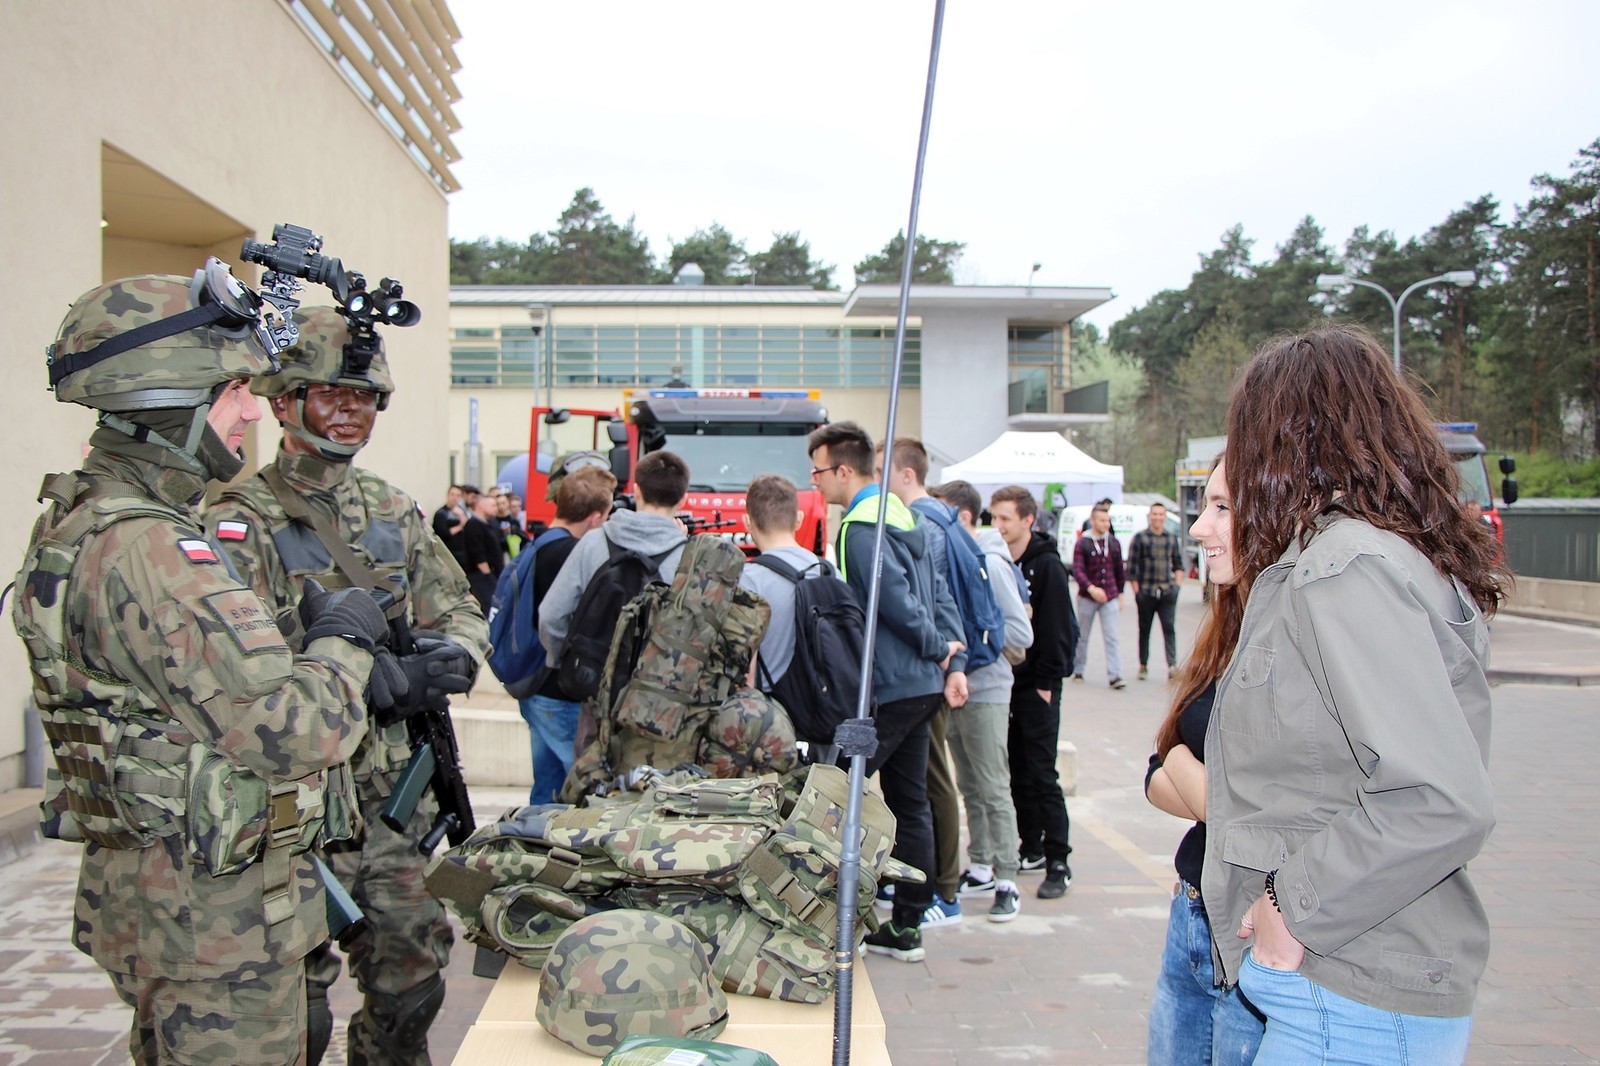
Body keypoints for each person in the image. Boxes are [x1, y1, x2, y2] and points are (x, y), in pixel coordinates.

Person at [17, 272, 390, 1064]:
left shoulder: (82, 518)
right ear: (169, 398)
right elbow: (296, 733)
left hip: (152, 897)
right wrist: (345, 638)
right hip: (215, 923)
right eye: (234, 391)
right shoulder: (154, 547)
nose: (252, 410)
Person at [1203, 326, 1504, 1064]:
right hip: (1348, 982)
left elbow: (1438, 796)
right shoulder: (1366, 556)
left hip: (1351, 991)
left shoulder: (1343, 567)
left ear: (1285, 441)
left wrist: (1293, 907)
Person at [206, 305, 489, 1066]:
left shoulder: (392, 508)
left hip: (391, 800)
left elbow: (459, 609)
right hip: (290, 805)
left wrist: (449, 658)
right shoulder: (241, 520)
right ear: (282, 402)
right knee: (291, 1004)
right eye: (330, 393)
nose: (349, 410)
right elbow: (234, 667)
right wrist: (365, 677)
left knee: (414, 976)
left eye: (363, 396)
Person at [808, 422, 962, 963]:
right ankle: (907, 924)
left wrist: (938, 647)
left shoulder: (861, 527)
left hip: (892, 686)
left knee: (833, 791)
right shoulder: (902, 514)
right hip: (919, 685)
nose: (815, 481)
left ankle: (819, 910)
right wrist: (946, 653)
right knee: (909, 800)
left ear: (843, 470)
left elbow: (894, 600)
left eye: (818, 471)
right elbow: (936, 591)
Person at [1144, 466, 1264, 1065]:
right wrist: (1179, 763)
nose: (1197, 527)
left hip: (1250, 931)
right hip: (1191, 911)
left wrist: (1177, 760)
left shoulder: (1290, 639)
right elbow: (1153, 773)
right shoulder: (1226, 626)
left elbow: (1234, 805)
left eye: (1222, 507)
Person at [928, 479, 1034, 922]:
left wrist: (980, 648)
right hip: (957, 687)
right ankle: (983, 864)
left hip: (986, 687)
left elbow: (1021, 633)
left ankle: (1007, 877)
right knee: (969, 783)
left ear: (962, 516)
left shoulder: (988, 559)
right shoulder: (959, 557)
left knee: (992, 783)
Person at [879, 438, 969, 928]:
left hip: (916, 674)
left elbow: (923, 601)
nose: (876, 479)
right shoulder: (934, 521)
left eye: (881, 469)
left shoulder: (917, 523)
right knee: (918, 791)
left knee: (927, 787)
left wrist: (947, 657)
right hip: (932, 670)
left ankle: (938, 892)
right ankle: (922, 896)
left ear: (906, 474)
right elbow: (942, 599)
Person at [990, 485, 1076, 900]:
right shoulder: (1001, 562)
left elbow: (1059, 630)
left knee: (1042, 773)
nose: (998, 526)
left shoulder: (1047, 566)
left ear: (1028, 520)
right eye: (994, 517)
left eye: (1005, 518)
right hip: (1007, 683)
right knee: (1016, 771)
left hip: (1038, 685)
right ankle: (1031, 847)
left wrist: (1045, 683)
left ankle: (1059, 859)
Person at [538, 450, 691, 671]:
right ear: (683, 499)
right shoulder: (689, 558)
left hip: (592, 678)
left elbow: (551, 616)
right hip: (657, 685)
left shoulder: (593, 542)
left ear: (636, 491)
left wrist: (564, 661)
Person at [516, 465, 615, 803]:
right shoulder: (572, 553)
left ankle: (535, 833)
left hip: (533, 683)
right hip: (559, 689)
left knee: (547, 782)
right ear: (595, 517)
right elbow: (552, 617)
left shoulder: (540, 543)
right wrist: (561, 659)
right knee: (580, 781)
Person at [1128, 502, 1185, 681]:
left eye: (1161, 514)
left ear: (1165, 517)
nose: (1157, 517)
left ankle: (1172, 664)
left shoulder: (1171, 538)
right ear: (1149, 516)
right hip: (1147, 591)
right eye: (1155, 514)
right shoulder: (1140, 538)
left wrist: (1177, 587)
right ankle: (1143, 665)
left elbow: (1178, 564)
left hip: (1167, 591)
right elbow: (1132, 568)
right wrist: (1137, 593)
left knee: (1169, 628)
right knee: (1144, 630)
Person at [1072, 503, 1127, 688]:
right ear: (1093, 521)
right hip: (1087, 596)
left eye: (1108, 521)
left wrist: (1121, 593)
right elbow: (1078, 570)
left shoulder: (1113, 542)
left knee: (1112, 636)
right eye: (1102, 520)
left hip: (1109, 595)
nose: (1106, 524)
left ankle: (1115, 675)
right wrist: (1090, 588)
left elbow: (1119, 569)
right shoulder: (1083, 542)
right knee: (1082, 634)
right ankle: (1078, 668)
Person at [461, 487, 507, 611]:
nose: (496, 509)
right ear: (482, 506)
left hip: (490, 575)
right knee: (488, 608)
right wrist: (488, 576)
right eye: (493, 505)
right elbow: (478, 553)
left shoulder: (487, 524)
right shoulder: (473, 525)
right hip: (482, 577)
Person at [432, 485, 469, 569]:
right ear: (447, 495)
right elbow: (444, 533)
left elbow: (468, 528)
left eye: (458, 495)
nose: (455, 498)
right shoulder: (441, 513)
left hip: (462, 553)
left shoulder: (462, 511)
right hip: (448, 554)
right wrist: (460, 526)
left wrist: (461, 515)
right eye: (452, 494)